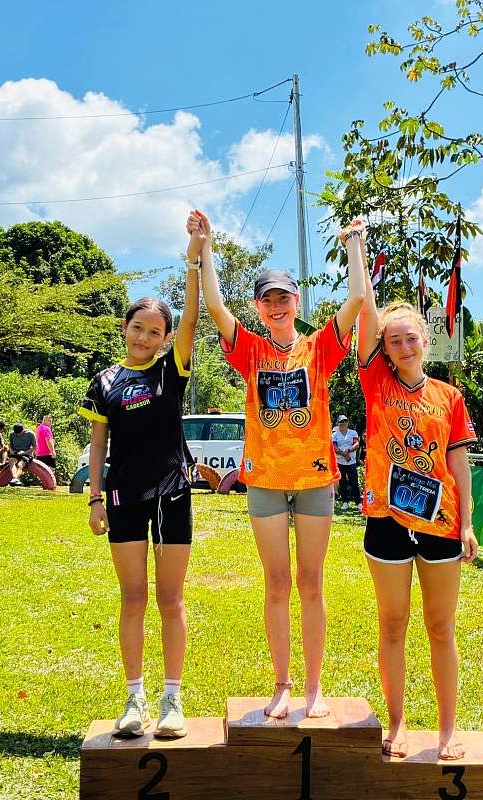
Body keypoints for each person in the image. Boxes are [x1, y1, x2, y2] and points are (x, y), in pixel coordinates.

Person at [191, 208, 365, 718]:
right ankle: (282, 683)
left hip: (314, 479)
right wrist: (205, 248)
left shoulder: (320, 348)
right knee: (277, 583)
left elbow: (357, 299)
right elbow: (215, 306)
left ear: (296, 302)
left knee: (311, 582)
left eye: (283, 298)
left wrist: (354, 241)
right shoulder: (249, 350)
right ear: (258, 307)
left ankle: (313, 688)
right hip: (265, 480)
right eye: (267, 299)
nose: (276, 306)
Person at [78, 237, 199, 739]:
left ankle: (172, 700)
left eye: (155, 331)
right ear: (124, 328)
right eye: (137, 328)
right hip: (123, 498)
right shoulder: (104, 382)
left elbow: (192, 317)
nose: (144, 337)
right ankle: (134, 698)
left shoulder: (172, 369)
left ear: (167, 338)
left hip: (173, 494)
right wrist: (95, 498)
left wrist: (194, 257)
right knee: (132, 599)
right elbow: (98, 444)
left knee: (171, 599)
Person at [357, 256, 478, 761]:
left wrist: (468, 523)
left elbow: (459, 464)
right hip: (386, 521)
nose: (404, 347)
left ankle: (448, 729)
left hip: (441, 524)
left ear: (426, 340)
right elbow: (364, 311)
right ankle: (398, 722)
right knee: (392, 625)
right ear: (383, 349)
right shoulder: (376, 384)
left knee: (440, 628)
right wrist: (357, 248)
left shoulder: (450, 397)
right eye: (394, 341)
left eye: (411, 338)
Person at [331, 415, 361, 509]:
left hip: (351, 461)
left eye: (345, 421)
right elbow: (334, 447)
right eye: (341, 421)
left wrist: (348, 451)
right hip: (340, 461)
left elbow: (356, 444)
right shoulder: (334, 435)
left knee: (354, 482)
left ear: (348, 422)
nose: (343, 423)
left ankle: (358, 502)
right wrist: (344, 454)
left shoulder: (353, 432)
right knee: (342, 482)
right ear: (338, 423)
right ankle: (345, 502)